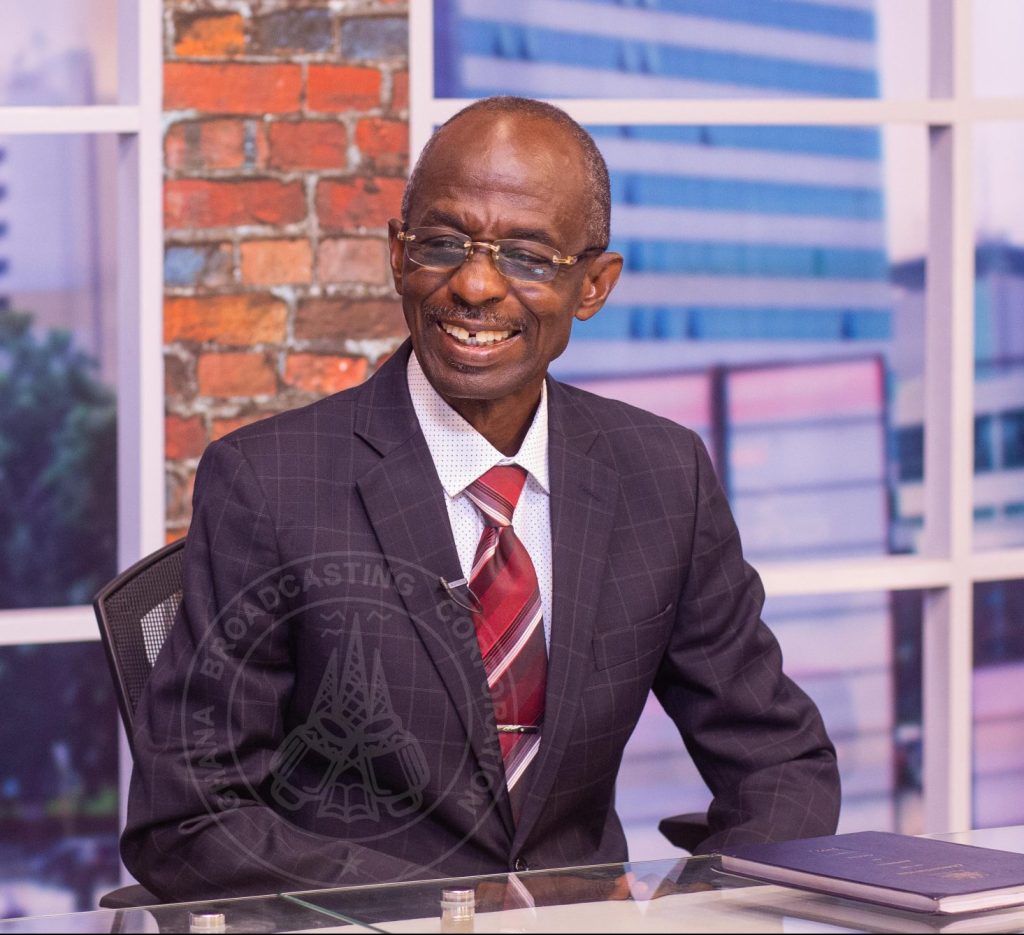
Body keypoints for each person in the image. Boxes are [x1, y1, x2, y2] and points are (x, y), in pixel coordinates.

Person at [123, 96, 840, 901]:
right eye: (442, 245)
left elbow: (782, 763)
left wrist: (697, 910)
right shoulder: (268, 482)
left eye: (527, 256)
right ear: (398, 256)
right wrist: (455, 911)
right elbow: (187, 819)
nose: (474, 285)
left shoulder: (663, 474)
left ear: (594, 285)